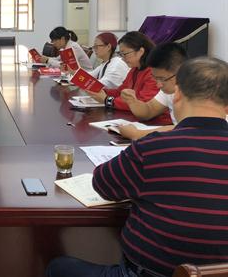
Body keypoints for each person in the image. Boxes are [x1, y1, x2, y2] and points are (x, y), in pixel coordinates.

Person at [47, 57, 228, 277]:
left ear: (177, 94)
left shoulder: (154, 148)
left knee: (58, 267)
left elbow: (103, 184)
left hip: (148, 273)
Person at [86, 31, 171, 125]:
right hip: (136, 118)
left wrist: (107, 100)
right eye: (121, 54)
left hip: (156, 123)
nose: (123, 58)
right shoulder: (134, 69)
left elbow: (142, 104)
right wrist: (101, 91)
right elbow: (120, 91)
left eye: (125, 54)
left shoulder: (154, 73)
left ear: (140, 51)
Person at [118, 42, 188, 140]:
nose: (158, 85)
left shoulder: (198, 91)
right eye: (155, 78)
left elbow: (185, 129)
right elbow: (149, 110)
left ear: (181, 72)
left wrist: (137, 134)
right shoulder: (170, 88)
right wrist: (132, 101)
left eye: (162, 79)